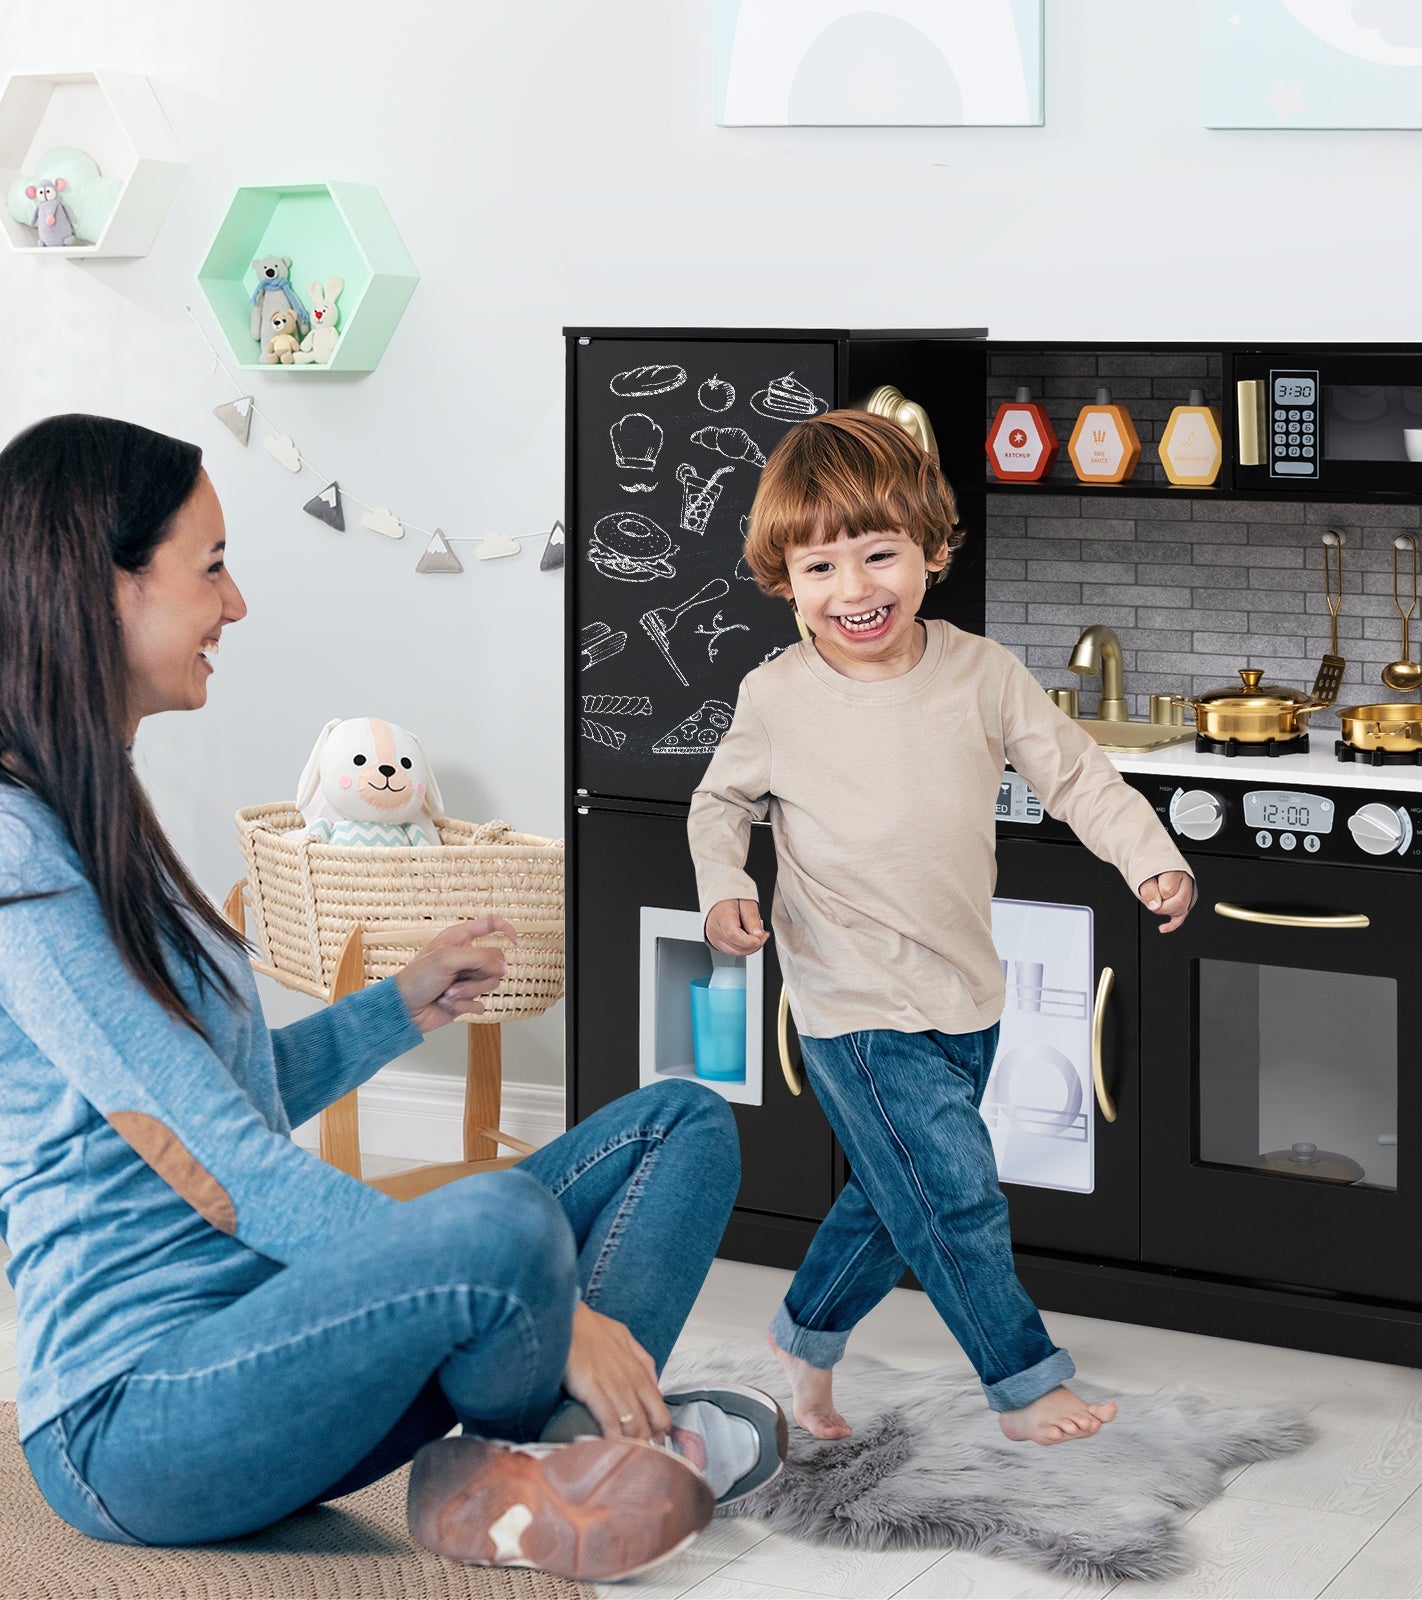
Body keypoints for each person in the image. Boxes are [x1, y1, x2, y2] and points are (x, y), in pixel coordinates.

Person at [0, 415, 783, 1585]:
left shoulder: (100, 811)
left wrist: (396, 1008)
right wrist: (566, 1319)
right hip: (132, 1415)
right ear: (103, 584)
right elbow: (219, 1160)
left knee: (682, 1123)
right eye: (212, 566)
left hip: (279, 1331)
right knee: (498, 1227)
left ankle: (546, 1461)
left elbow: (225, 1094)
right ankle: (587, 1445)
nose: (236, 604)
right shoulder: (18, 853)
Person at [688, 410, 1195, 1447]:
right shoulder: (775, 695)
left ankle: (802, 1337)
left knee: (898, 1193)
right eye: (820, 566)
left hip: (965, 988)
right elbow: (719, 803)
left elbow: (1076, 774)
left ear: (930, 551)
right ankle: (1023, 1380)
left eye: (879, 555)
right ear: (786, 580)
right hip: (850, 996)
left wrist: (1151, 855)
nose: (854, 587)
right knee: (956, 1195)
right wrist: (721, 882)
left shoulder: (983, 673)